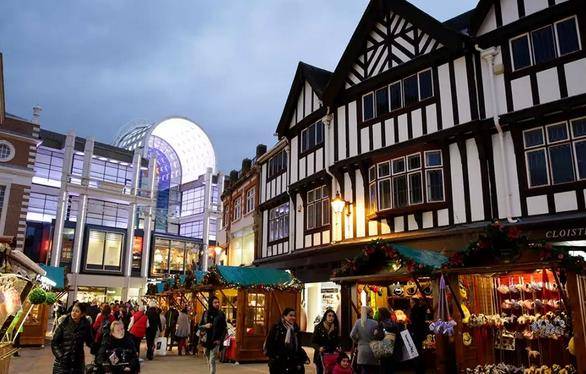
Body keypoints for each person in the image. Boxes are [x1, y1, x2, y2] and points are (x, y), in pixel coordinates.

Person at [51, 302, 93, 374]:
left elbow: (90, 341)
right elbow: (54, 342)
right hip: (62, 364)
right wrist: (61, 356)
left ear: (82, 314)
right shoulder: (64, 323)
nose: (73, 313)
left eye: (77, 311)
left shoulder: (85, 326)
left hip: (78, 363)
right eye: (73, 310)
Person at [265, 307, 309, 374]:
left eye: (294, 316)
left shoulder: (295, 328)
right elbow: (269, 344)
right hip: (279, 362)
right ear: (284, 316)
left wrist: (301, 359)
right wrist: (274, 357)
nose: (293, 317)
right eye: (290, 315)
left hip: (293, 362)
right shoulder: (276, 328)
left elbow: (298, 346)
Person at [200, 296, 227, 374]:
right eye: (215, 302)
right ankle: (210, 372)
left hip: (215, 340)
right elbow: (200, 326)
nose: (217, 304)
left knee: (212, 359)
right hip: (206, 340)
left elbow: (224, 328)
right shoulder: (205, 313)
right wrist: (205, 326)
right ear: (211, 303)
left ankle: (212, 373)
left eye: (218, 302)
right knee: (208, 357)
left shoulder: (221, 314)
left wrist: (220, 340)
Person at [350, 306, 380, 374]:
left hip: (362, 350)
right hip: (373, 350)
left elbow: (352, 335)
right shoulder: (375, 323)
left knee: (364, 370)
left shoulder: (358, 322)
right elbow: (378, 336)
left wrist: (357, 341)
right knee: (373, 370)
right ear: (370, 313)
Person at [311, 309, 340, 374]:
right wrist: (319, 348)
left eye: (333, 316)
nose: (331, 318)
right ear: (325, 317)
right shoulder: (318, 327)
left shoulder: (335, 328)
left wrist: (338, 346)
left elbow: (337, 341)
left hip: (331, 356)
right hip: (320, 356)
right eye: (329, 316)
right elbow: (312, 342)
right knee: (320, 371)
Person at [376, 307, 402, 374]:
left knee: (383, 368)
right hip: (393, 350)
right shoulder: (394, 323)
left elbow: (379, 336)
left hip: (384, 349)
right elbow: (399, 337)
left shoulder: (381, 324)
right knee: (391, 369)